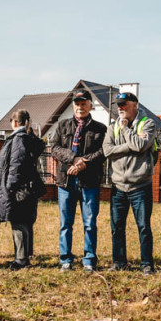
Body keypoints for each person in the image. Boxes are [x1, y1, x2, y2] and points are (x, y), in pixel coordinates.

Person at [49, 89, 106, 270]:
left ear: (90, 105)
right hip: (66, 182)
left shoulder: (100, 129)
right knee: (65, 223)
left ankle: (89, 259)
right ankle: (66, 259)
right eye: (77, 104)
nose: (80, 107)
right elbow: (54, 147)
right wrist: (73, 159)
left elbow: (103, 152)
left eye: (83, 104)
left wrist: (84, 163)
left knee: (90, 223)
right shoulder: (62, 125)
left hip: (89, 182)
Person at [102, 91, 157, 274]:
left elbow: (141, 146)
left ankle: (147, 264)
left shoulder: (147, 123)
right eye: (118, 105)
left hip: (140, 186)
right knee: (117, 228)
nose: (120, 108)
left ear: (135, 104)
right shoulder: (112, 127)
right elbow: (107, 151)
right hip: (118, 187)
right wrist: (130, 146)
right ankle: (119, 262)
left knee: (143, 227)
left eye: (124, 104)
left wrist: (126, 130)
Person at [0, 110, 45, 270]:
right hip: (27, 187)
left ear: (14, 123)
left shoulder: (18, 139)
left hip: (18, 188)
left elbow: (16, 165)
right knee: (25, 221)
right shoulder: (29, 138)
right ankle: (25, 256)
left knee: (18, 221)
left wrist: (10, 186)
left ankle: (21, 259)